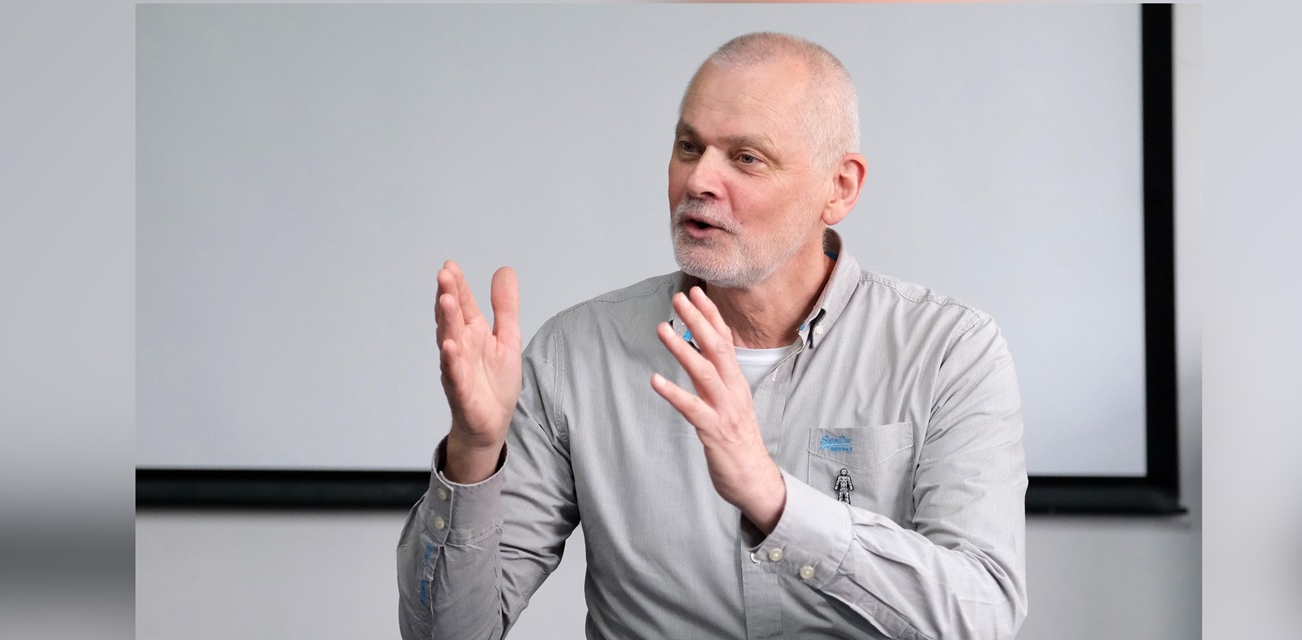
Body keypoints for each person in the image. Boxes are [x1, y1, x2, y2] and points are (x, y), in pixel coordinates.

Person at [398, 32, 1026, 639]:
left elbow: (982, 615)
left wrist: (776, 500)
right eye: (689, 147)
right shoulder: (575, 354)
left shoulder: (949, 352)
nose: (699, 181)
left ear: (840, 188)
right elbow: (448, 635)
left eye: (747, 157)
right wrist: (475, 454)